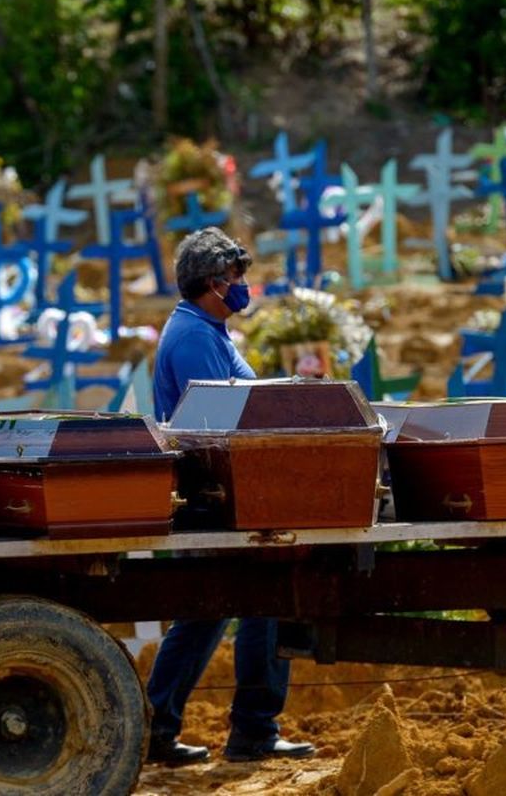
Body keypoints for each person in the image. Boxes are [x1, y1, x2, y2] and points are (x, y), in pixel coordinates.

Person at [144, 228, 316, 765]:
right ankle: (253, 731)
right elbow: (224, 421)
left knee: (205, 614)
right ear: (211, 283)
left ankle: (157, 728)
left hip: (222, 491)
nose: (243, 285)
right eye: (235, 276)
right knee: (261, 601)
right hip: (218, 495)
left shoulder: (208, 330)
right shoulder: (195, 338)